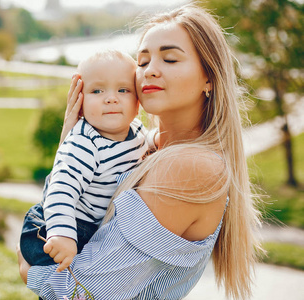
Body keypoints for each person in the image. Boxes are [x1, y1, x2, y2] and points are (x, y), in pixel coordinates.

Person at [18, 4, 264, 300]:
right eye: (143, 61)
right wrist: (72, 149)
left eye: (170, 59)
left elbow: (78, 293)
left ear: (209, 78)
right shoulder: (143, 146)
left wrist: (25, 264)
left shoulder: (191, 168)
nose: (150, 71)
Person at [19, 50, 148, 274]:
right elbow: (61, 191)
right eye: (97, 90)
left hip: (91, 229)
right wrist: (63, 235)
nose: (111, 98)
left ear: (138, 102)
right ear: (80, 101)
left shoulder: (137, 131)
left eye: (123, 90)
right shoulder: (85, 143)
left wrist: (159, 139)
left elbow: (149, 140)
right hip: (56, 225)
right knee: (66, 278)